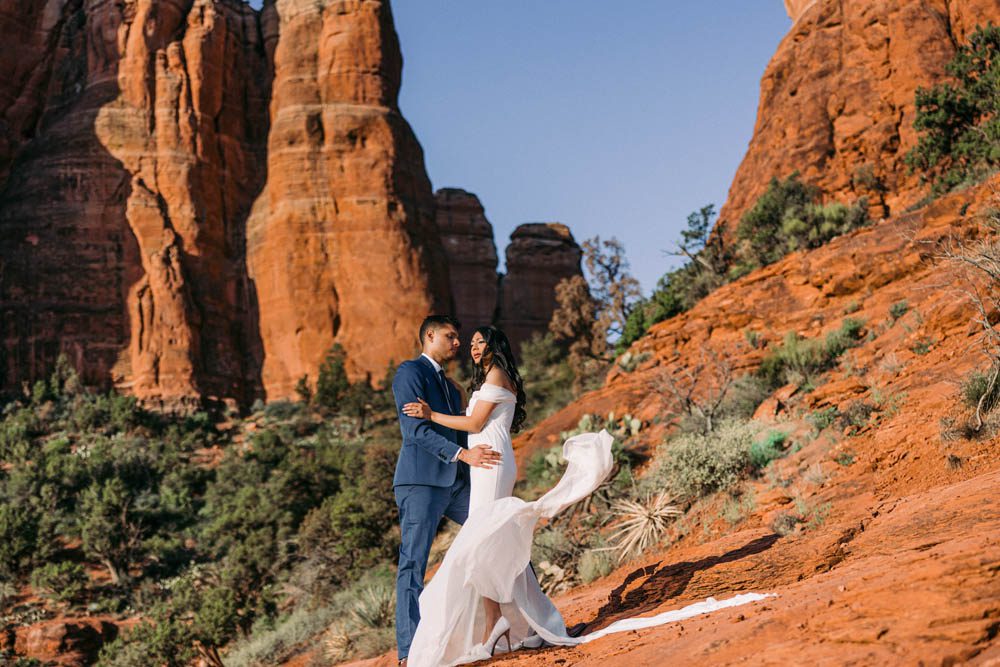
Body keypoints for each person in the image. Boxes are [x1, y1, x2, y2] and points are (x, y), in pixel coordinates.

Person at [401, 325, 774, 666]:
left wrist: (431, 414)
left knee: (485, 542)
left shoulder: (497, 374)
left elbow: (475, 424)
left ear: (496, 345)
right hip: (483, 464)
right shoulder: (482, 379)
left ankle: (502, 626)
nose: (473, 347)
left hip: (492, 464)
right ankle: (524, 627)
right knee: (489, 543)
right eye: (471, 343)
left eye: (481, 341)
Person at [391, 316, 503, 666]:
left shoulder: (452, 386)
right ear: (429, 336)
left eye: (458, 338)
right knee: (413, 564)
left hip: (457, 484)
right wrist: (463, 455)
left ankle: (526, 620)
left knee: (497, 535)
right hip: (420, 483)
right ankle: (410, 653)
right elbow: (415, 431)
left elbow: (464, 426)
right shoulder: (410, 373)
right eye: (450, 336)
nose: (457, 343)